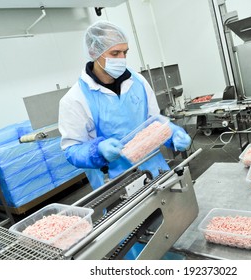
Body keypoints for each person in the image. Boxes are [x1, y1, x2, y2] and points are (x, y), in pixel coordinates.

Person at [58, 21, 191, 190]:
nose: (122, 59)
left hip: (156, 173)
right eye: (115, 53)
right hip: (116, 185)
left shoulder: (138, 82)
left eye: (125, 52)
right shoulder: (75, 99)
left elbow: (155, 122)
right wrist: (98, 150)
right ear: (93, 52)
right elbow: (72, 151)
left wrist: (173, 134)